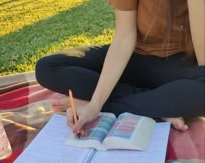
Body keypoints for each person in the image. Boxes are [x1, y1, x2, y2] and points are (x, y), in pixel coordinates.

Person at [35, 0, 205, 136]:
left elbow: (202, 61)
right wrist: (96, 102)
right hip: (132, 56)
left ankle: (127, 105)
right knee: (48, 68)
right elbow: (124, 37)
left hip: (178, 64)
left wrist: (97, 105)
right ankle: (156, 106)